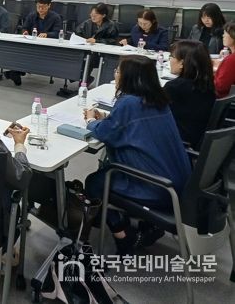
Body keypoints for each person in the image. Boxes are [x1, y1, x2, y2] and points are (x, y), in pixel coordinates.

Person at [83, 55, 191, 255]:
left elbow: (105, 133)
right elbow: (133, 125)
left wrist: (91, 120)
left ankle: (123, 236)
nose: (115, 74)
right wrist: (107, 117)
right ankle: (145, 225)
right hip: (178, 184)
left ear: (128, 77)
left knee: (94, 182)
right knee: (105, 172)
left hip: (156, 187)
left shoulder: (128, 103)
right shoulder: (158, 100)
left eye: (118, 71)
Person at [164, 40, 215, 149]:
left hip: (175, 143)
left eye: (171, 57)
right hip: (194, 138)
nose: (170, 60)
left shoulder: (174, 87)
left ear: (182, 63)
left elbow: (154, 115)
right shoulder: (207, 84)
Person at [5, 0, 62, 85]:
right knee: (18, 50)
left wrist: (47, 34)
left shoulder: (55, 17)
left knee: (29, 55)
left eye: (43, 7)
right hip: (32, 44)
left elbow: (58, 33)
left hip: (48, 46)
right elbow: (25, 27)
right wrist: (25, 32)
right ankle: (17, 71)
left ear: (49, 5)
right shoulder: (32, 15)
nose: (40, 9)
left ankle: (17, 71)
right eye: (38, 6)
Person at [214, 22, 235, 98]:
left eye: (225, 33)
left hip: (220, 98)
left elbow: (220, 87)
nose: (223, 36)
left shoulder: (231, 60)